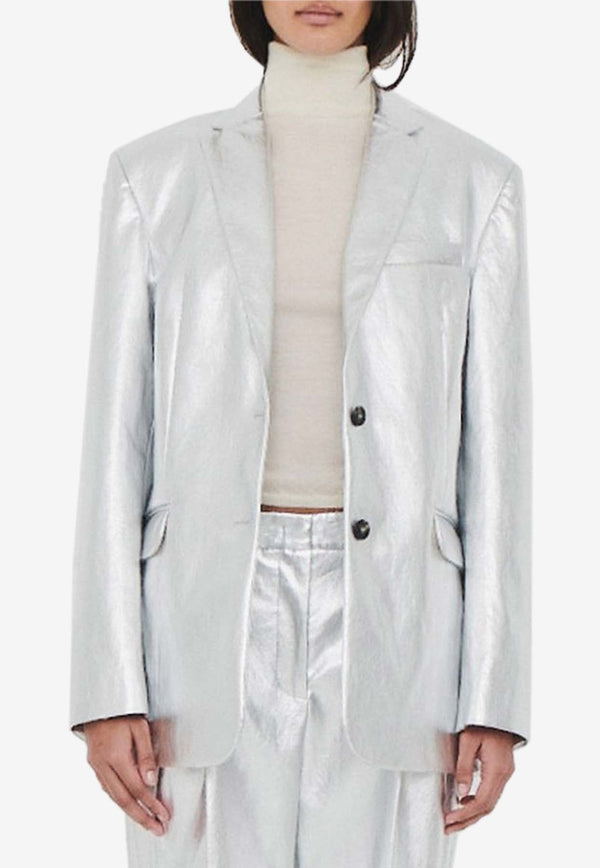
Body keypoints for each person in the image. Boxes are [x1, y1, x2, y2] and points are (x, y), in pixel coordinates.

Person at [69, 2, 532, 865]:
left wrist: (495, 698)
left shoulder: (475, 181)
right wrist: (106, 686)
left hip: (400, 617)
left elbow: (497, 456)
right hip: (201, 614)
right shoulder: (154, 176)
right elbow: (114, 440)